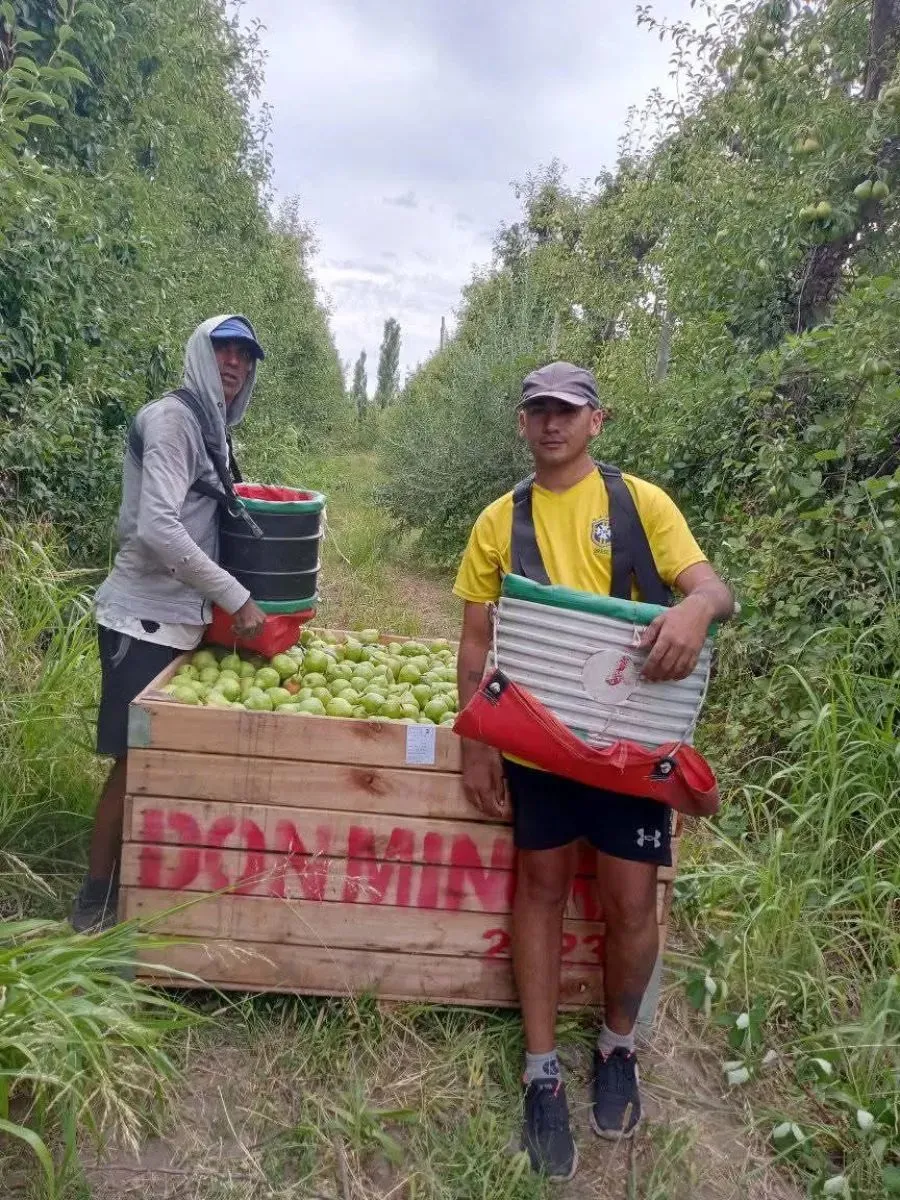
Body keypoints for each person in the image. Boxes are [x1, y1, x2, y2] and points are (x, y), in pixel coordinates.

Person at [453, 361, 733, 1181]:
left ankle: (617, 1047)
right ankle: (541, 1072)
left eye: (567, 411)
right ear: (522, 422)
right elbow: (474, 641)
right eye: (538, 410)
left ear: (595, 421)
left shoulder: (641, 505)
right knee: (539, 886)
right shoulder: (499, 520)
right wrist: (475, 743)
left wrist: (695, 608)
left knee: (631, 901)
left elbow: (713, 588)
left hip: (629, 746)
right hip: (538, 744)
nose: (552, 423)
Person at [71, 315, 268, 932]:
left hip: (182, 619)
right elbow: (158, 528)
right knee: (134, 764)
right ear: (199, 354)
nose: (234, 363)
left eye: (244, 355)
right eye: (223, 350)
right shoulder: (171, 421)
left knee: (166, 763)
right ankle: (93, 902)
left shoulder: (211, 430)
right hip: (142, 622)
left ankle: (148, 892)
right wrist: (235, 596)